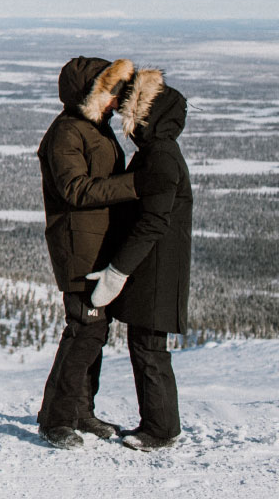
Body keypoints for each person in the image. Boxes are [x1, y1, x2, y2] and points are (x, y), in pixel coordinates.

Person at [35, 56, 141, 449]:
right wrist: (134, 185)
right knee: (84, 330)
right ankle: (54, 419)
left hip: (98, 243)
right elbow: (75, 190)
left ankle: (80, 411)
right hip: (77, 246)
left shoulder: (95, 128)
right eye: (110, 91)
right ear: (90, 93)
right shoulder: (66, 133)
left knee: (94, 332)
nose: (117, 100)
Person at [86, 67, 193, 452]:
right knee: (146, 348)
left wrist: (118, 270)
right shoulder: (159, 151)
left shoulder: (160, 156)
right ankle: (159, 425)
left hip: (157, 269)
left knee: (149, 350)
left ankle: (161, 430)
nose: (128, 125)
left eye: (133, 115)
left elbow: (153, 222)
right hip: (157, 266)